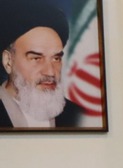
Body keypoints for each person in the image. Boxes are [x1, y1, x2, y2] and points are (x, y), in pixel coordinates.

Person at [0, 0, 84, 128]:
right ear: (8, 61)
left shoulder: (79, 116)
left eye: (56, 58)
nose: (50, 72)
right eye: (36, 58)